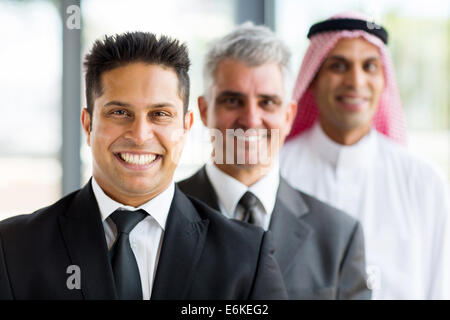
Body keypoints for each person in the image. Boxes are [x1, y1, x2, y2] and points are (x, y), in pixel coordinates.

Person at [0, 32, 288, 300]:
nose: (140, 135)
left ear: (185, 128)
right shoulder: (14, 247)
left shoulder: (247, 255)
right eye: (120, 112)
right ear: (88, 125)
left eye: (160, 114)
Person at [178, 23, 371, 299]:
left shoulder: (339, 237)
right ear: (205, 111)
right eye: (233, 101)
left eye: (267, 102)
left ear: (289, 115)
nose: (251, 120)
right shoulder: (160, 216)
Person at [281, 12, 450, 299]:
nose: (355, 81)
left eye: (369, 66)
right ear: (312, 79)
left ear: (384, 81)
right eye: (338, 66)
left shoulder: (423, 181)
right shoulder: (277, 169)